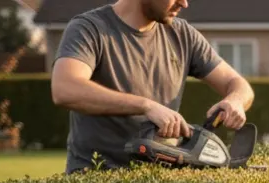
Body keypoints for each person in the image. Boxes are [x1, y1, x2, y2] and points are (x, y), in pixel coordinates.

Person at [50, 0, 254, 173]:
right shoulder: (89, 29)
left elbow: (237, 84)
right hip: (95, 178)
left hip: (157, 182)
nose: (184, 3)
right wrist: (147, 106)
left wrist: (234, 100)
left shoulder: (183, 35)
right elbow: (65, 89)